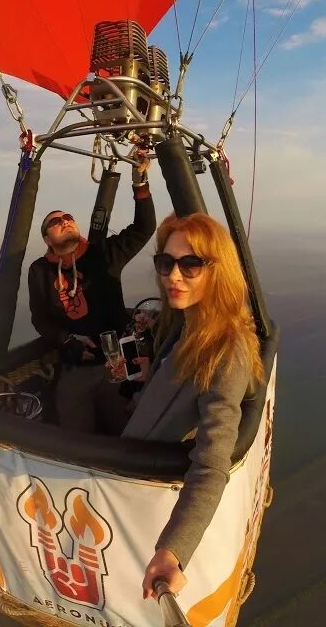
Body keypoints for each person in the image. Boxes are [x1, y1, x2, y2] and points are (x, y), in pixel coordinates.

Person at [120, 212, 265, 601]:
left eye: (191, 264)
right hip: (134, 438)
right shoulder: (188, 322)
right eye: (166, 263)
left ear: (217, 270)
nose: (174, 276)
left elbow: (213, 461)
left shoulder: (226, 349)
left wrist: (173, 551)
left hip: (134, 479)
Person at [28, 150, 155, 430]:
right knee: (75, 432)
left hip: (116, 363)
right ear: (47, 239)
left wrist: (140, 182)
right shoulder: (40, 271)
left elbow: (144, 228)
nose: (64, 221)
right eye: (55, 221)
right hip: (76, 369)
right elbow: (40, 318)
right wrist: (66, 340)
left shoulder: (103, 253)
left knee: (122, 427)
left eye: (68, 217)